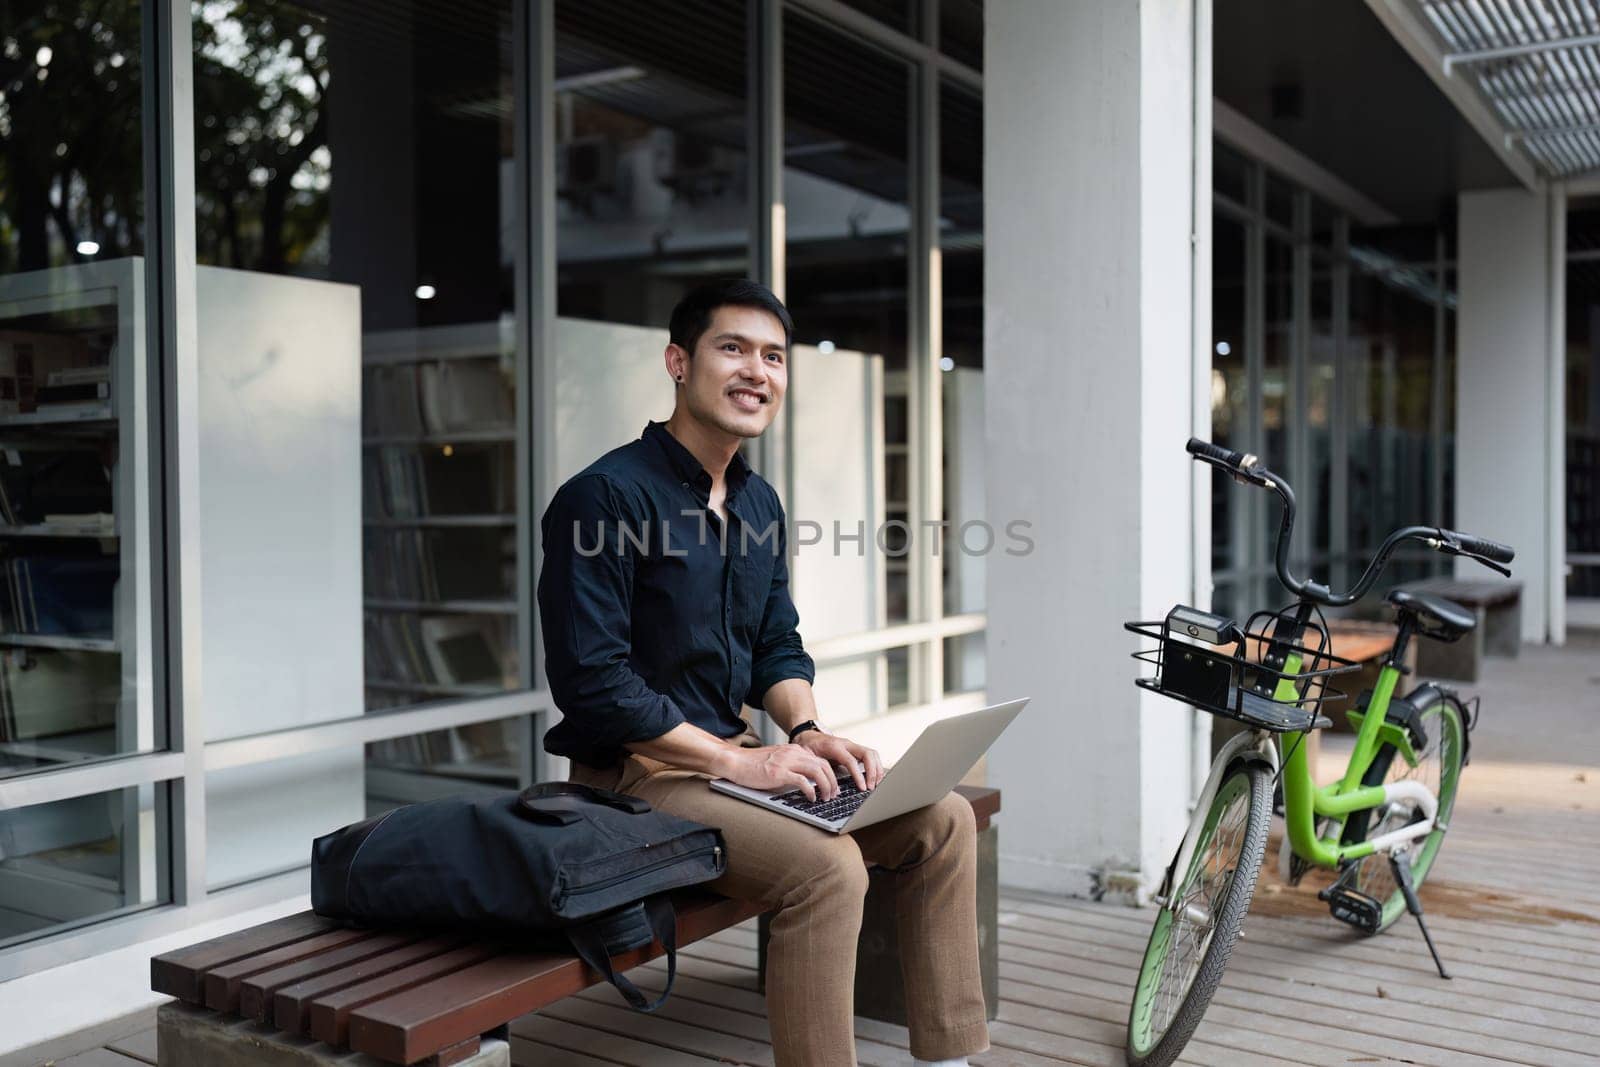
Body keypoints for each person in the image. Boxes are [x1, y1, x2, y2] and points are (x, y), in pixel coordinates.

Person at [537, 279, 987, 1067]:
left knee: (942, 817)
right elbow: (593, 682)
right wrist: (739, 760)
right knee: (827, 867)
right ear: (679, 362)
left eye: (773, 356)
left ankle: (952, 1054)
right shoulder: (603, 497)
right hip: (637, 779)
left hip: (732, 765)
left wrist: (808, 732)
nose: (757, 371)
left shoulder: (759, 505)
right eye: (733, 348)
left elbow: (778, 641)